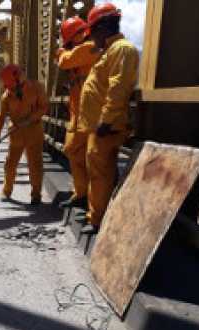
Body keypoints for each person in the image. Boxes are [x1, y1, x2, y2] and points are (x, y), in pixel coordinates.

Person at [78, 3, 139, 234]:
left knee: (100, 175)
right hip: (100, 126)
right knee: (101, 173)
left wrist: (106, 119)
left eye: (93, 32)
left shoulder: (121, 49)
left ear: (103, 27)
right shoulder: (112, 50)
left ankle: (97, 220)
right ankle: (100, 215)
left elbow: (118, 87)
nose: (92, 38)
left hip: (106, 127)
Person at [57, 16, 101, 210]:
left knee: (93, 158)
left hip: (90, 112)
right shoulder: (82, 49)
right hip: (78, 112)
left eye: (69, 41)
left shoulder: (88, 47)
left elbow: (65, 62)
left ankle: (91, 201)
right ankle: (82, 193)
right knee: (72, 150)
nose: (67, 45)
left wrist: (61, 52)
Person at [0, 64, 48, 205]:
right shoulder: (7, 96)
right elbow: (0, 117)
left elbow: (44, 107)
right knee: (10, 164)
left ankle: (36, 195)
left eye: (13, 87)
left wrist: (30, 119)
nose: (12, 90)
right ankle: (6, 191)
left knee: (35, 164)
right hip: (16, 133)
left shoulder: (36, 88)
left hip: (34, 132)